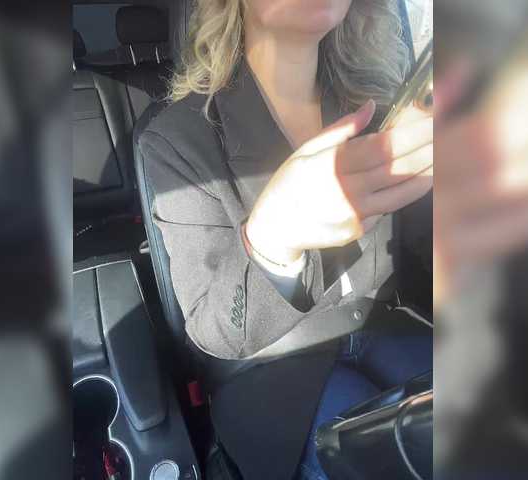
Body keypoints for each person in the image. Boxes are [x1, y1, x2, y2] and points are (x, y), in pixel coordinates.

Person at [137, 0, 433, 478]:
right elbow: (214, 331)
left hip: (390, 327)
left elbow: (429, 251)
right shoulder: (177, 138)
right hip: (267, 370)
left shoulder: (381, 109)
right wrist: (271, 241)